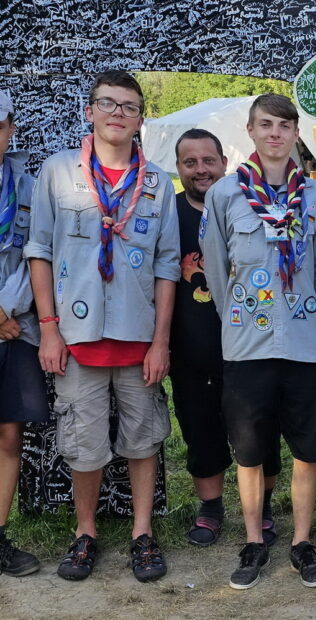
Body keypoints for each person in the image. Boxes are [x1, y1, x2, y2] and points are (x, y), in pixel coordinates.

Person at [25, 70, 180, 582]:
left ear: (140, 119)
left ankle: (142, 533)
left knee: (144, 438)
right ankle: (84, 532)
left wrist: (161, 342)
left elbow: (167, 266)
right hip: (75, 338)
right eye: (107, 103)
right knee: (83, 441)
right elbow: (40, 251)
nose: (118, 113)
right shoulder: (58, 171)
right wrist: (48, 328)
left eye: (129, 106)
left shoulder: (157, 182)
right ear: (89, 111)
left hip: (138, 342)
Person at [200, 94, 316, 590]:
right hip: (247, 345)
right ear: (251, 130)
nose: (276, 134)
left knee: (306, 449)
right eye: (266, 125)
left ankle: (302, 542)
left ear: (295, 132)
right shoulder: (225, 195)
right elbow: (216, 270)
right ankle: (255, 540)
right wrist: (237, 320)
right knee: (249, 452)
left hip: (304, 344)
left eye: (285, 125)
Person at [169, 128, 281, 547]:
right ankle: (211, 508)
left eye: (208, 160)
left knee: (260, 428)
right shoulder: (170, 211)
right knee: (199, 426)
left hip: (252, 344)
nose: (201, 169)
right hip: (192, 345)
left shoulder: (247, 204)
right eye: (190, 162)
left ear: (223, 161)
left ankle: (265, 507)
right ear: (178, 167)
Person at [0, 89, 44, 577]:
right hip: (5, 321)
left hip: (21, 328)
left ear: (10, 126)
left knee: (10, 435)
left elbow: (40, 253)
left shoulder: (28, 184)